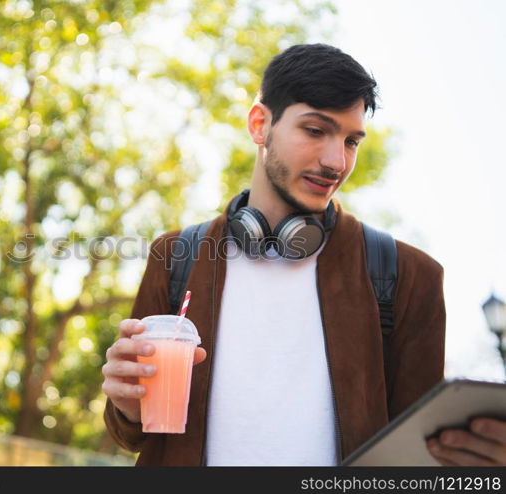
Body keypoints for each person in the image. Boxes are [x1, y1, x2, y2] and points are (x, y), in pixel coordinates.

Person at [101, 44, 506, 466]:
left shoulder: (409, 275)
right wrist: (127, 404)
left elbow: (420, 460)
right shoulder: (176, 255)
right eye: (315, 130)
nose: (336, 161)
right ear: (260, 124)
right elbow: (132, 430)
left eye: (351, 140)